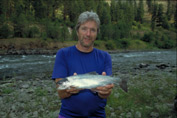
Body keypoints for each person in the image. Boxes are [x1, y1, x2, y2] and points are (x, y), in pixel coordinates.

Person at [52, 11, 114, 118]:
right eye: (84, 29)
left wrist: (104, 92)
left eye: (92, 30)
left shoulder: (105, 57)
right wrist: (68, 91)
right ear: (77, 31)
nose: (88, 34)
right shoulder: (63, 54)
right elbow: (60, 92)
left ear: (97, 33)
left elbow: (107, 93)